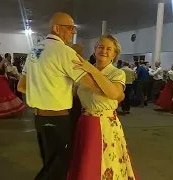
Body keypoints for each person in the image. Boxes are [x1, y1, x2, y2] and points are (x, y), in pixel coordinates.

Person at [18, 12, 110, 180]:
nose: (74, 32)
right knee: (58, 168)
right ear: (56, 28)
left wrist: (46, 89)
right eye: (70, 28)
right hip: (58, 118)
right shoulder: (64, 52)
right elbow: (93, 85)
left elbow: (22, 86)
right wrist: (113, 90)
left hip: (39, 118)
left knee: (49, 162)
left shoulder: (35, 50)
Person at [67, 34, 135, 180]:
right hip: (85, 121)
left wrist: (92, 70)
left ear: (114, 54)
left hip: (105, 123)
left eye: (109, 49)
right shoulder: (83, 70)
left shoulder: (117, 73)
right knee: (85, 163)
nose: (104, 50)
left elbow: (112, 93)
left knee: (105, 163)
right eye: (101, 47)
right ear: (95, 49)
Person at [0, 53, 25, 118]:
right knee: (6, 96)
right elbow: (7, 72)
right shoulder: (1, 66)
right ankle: (7, 110)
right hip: (2, 81)